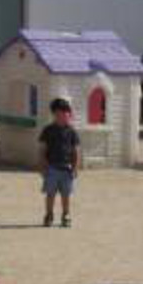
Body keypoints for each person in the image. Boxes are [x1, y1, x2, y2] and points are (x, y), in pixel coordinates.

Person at [38, 98, 81, 228]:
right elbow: (42, 150)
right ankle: (49, 214)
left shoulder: (72, 132)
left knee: (66, 194)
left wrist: (75, 167)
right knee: (50, 194)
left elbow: (76, 151)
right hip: (51, 168)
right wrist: (43, 166)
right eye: (58, 114)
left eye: (65, 113)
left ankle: (66, 214)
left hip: (67, 169)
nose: (62, 116)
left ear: (69, 114)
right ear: (54, 115)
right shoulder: (48, 130)